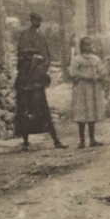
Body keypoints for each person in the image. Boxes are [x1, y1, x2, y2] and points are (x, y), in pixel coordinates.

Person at [14, 13, 67, 151]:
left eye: (40, 20)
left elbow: (46, 56)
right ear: (31, 20)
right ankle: (25, 143)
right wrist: (31, 57)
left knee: (43, 109)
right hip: (25, 80)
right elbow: (23, 54)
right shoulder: (25, 35)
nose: (39, 23)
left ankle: (56, 141)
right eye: (36, 20)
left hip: (37, 79)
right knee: (24, 110)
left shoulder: (41, 37)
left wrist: (42, 69)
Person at [69, 36, 106, 148]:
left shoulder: (96, 59)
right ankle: (82, 140)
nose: (88, 47)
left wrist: (98, 77)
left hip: (93, 88)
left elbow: (102, 72)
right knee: (82, 113)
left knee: (91, 112)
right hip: (82, 88)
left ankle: (92, 139)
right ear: (81, 46)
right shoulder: (77, 59)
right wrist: (85, 77)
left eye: (90, 44)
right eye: (85, 44)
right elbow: (73, 73)